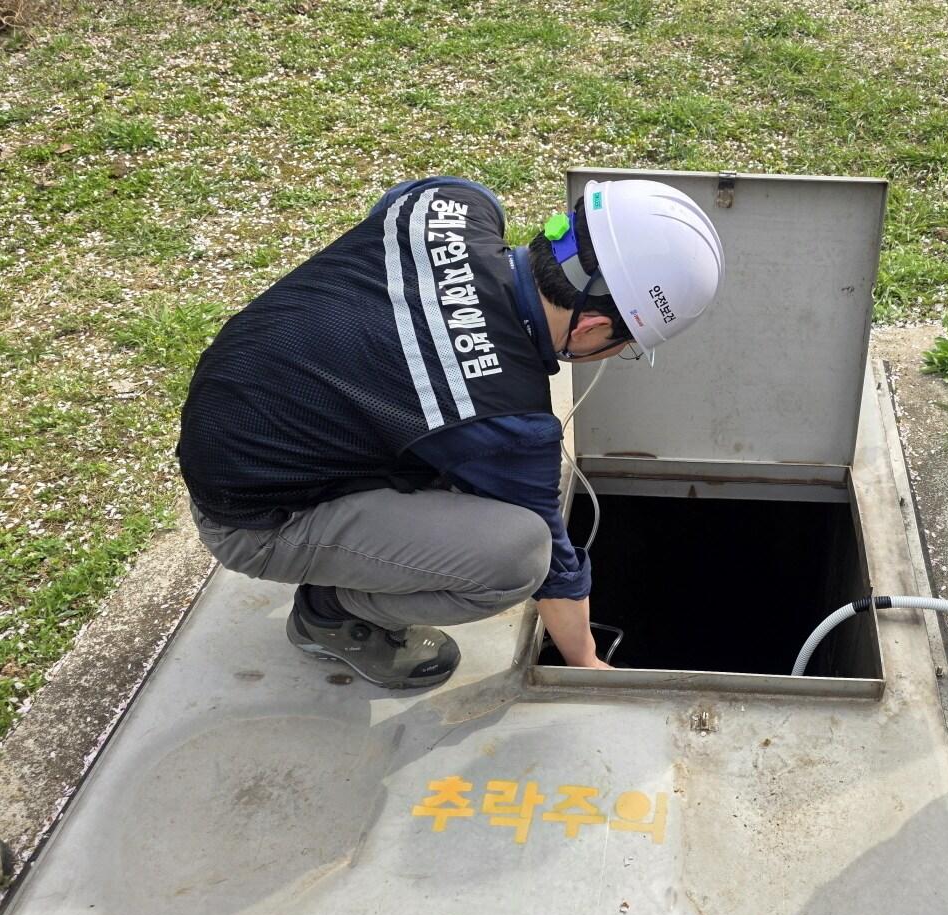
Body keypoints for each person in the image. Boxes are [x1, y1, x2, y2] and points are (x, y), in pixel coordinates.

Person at [177, 176, 724, 688]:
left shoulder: (452, 205)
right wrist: (585, 662)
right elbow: (553, 567)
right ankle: (332, 613)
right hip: (254, 517)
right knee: (514, 557)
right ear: (592, 326)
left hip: (237, 418)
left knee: (454, 461)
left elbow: (388, 211)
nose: (617, 354)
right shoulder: (507, 416)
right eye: (624, 346)